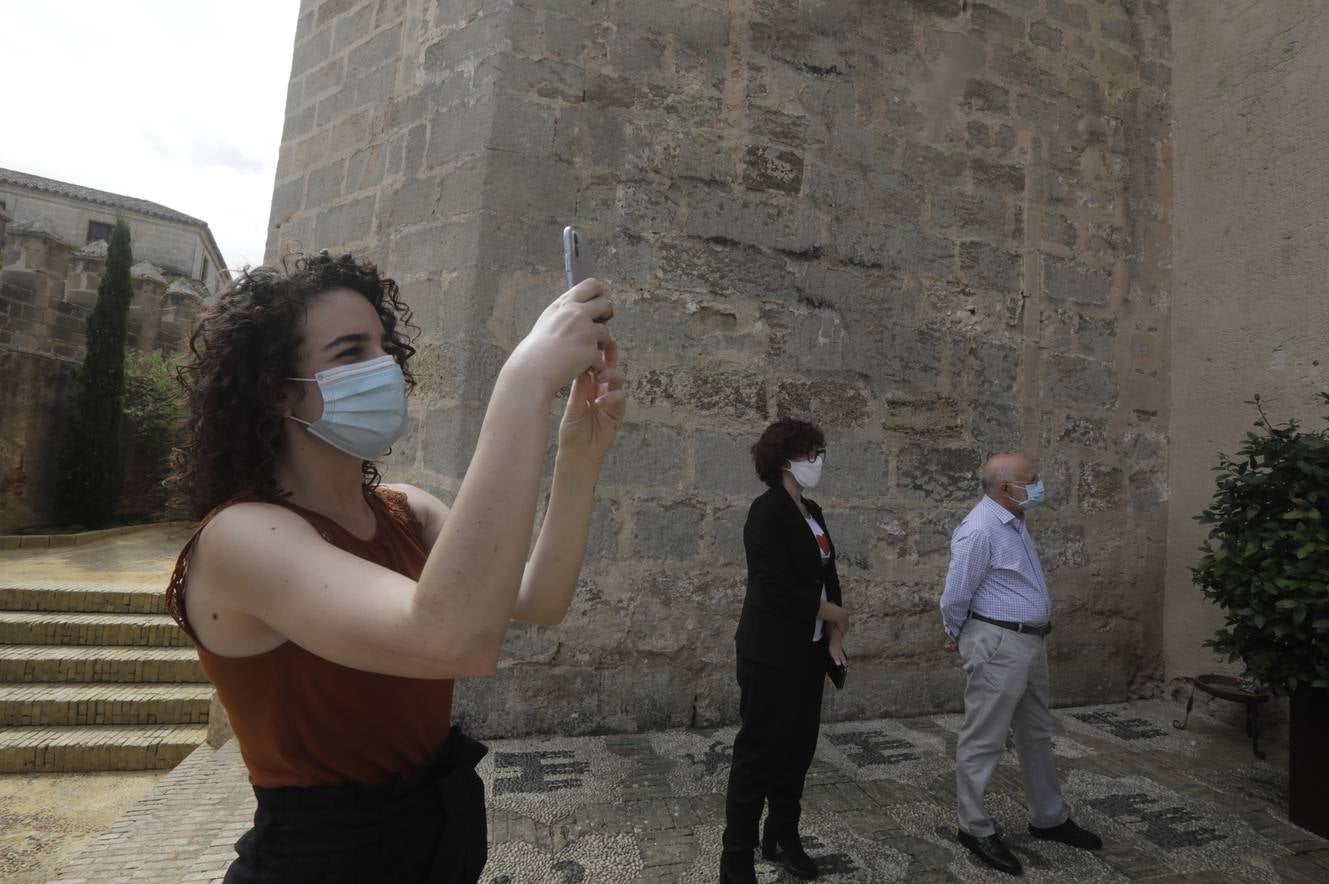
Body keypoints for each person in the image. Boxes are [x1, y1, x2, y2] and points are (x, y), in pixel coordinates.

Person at [165, 252, 624, 882]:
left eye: (384, 348)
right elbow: (450, 640)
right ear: (276, 391)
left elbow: (539, 600)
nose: (382, 367)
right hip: (323, 860)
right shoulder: (241, 537)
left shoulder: (405, 509)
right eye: (351, 352)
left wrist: (578, 458)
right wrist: (523, 382)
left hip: (438, 834)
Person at [939, 453, 1101, 876]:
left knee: (1036, 734)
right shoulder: (980, 529)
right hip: (998, 643)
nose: (1039, 486)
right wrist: (957, 633)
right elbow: (955, 594)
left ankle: (1049, 818)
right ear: (1006, 489)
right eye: (1032, 481)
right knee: (984, 738)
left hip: (1029, 643)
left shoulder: (1014, 521)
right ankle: (973, 827)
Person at [720, 419, 848, 884]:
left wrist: (835, 632)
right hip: (769, 653)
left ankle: (783, 834)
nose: (818, 462)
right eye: (811, 453)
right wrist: (832, 613)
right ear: (784, 460)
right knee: (758, 753)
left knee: (798, 750)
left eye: (819, 452)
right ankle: (735, 856)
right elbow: (772, 587)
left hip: (810, 653)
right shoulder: (766, 511)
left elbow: (827, 573)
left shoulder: (811, 510)